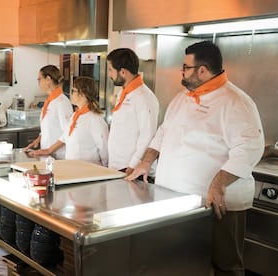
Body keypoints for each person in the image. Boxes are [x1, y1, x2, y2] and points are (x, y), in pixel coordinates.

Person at [126, 41, 265, 275]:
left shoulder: (235, 101)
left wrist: (218, 183)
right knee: (186, 264)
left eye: (185, 67)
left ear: (202, 70)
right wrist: (146, 161)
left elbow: (251, 147)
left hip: (217, 205)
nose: (182, 72)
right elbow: (163, 132)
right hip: (178, 202)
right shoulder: (183, 98)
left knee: (225, 266)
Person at [29, 77, 109, 166]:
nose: (70, 94)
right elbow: (65, 136)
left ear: (82, 94)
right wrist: (48, 150)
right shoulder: (75, 116)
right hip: (72, 167)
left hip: (88, 170)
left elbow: (104, 149)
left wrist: (104, 170)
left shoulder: (95, 120)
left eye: (73, 91)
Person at [106, 48, 159, 176]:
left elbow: (147, 135)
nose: (109, 75)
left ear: (123, 72)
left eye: (110, 70)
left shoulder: (144, 97)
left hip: (132, 168)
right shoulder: (123, 94)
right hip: (117, 165)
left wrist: (133, 165)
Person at [24, 65, 73, 159]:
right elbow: (48, 128)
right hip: (48, 155)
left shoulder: (61, 102)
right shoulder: (50, 101)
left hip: (59, 155)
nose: (38, 83)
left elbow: (68, 132)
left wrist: (49, 150)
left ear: (48, 79)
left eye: (39, 79)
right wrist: (37, 140)